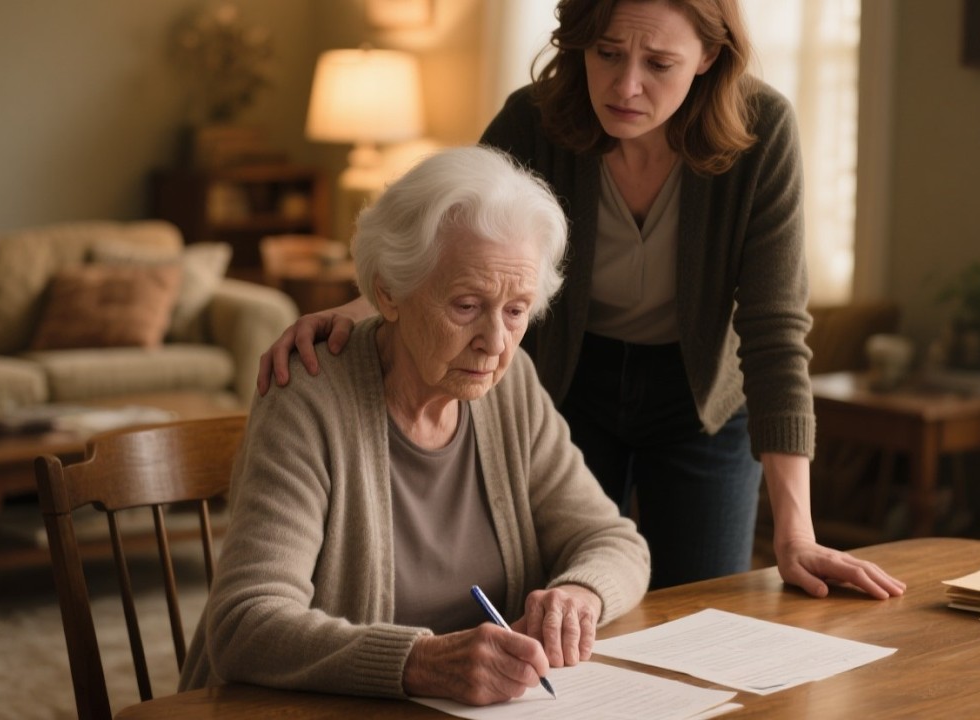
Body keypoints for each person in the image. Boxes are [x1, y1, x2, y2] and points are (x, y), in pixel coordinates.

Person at [257, 0, 905, 599]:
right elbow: (449, 250)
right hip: (570, 383)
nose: (626, 86)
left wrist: (797, 531)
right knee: (570, 595)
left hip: (701, 397)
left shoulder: (763, 133)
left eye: (659, 64)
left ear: (708, 57)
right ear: (579, 44)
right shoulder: (533, 120)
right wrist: (355, 307)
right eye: (606, 53)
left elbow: (774, 332)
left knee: (706, 606)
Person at [179, 146, 651, 705]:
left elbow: (614, 540)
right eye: (467, 305)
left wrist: (579, 594)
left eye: (517, 310)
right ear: (389, 292)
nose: (495, 343)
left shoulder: (510, 385)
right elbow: (244, 623)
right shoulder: (308, 396)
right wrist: (418, 663)